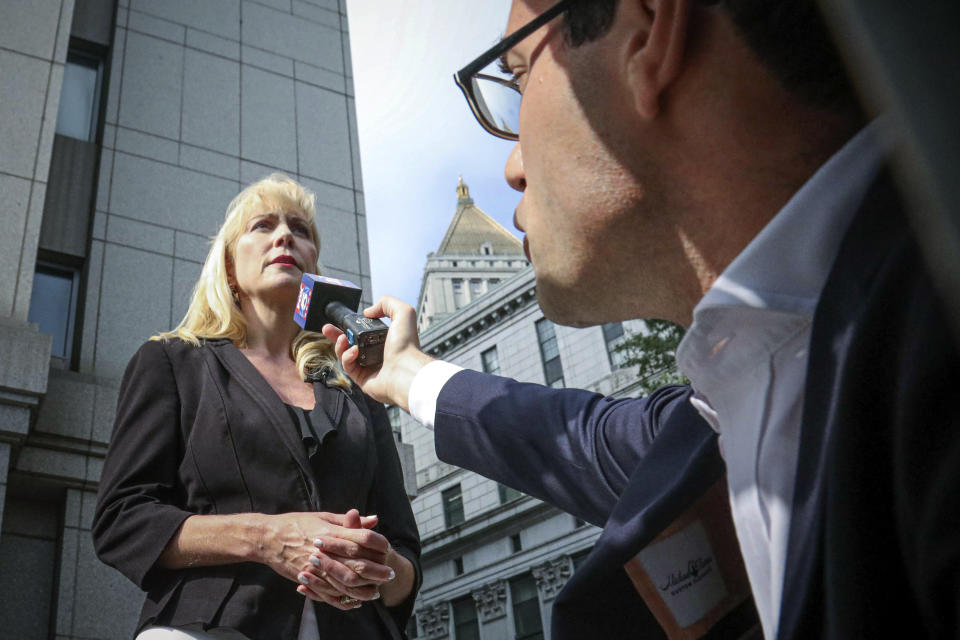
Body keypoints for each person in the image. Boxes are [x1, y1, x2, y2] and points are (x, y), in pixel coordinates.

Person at [322, 1, 960, 639]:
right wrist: (407, 375)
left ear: (649, 29)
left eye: (517, 81)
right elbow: (585, 437)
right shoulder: (748, 384)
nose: (512, 166)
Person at [92, 174, 421, 640]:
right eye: (262, 226)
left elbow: (405, 553)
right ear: (228, 267)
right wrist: (266, 538)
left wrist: (375, 561)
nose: (284, 235)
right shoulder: (172, 361)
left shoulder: (355, 389)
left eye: (300, 230)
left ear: (312, 270)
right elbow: (122, 520)